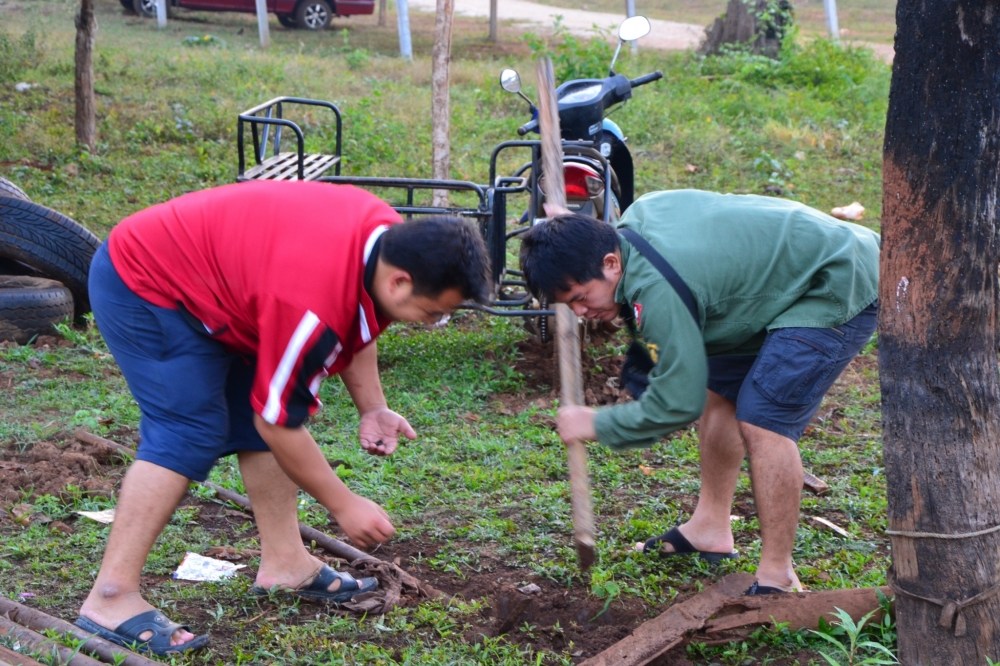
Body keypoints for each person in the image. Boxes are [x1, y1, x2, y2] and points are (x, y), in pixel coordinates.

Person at [76, 180, 491, 655]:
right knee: (188, 430)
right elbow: (278, 423)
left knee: (265, 401)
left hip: (229, 282)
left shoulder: (385, 240)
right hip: (148, 281)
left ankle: (286, 564)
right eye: (432, 312)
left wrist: (372, 406)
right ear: (400, 281)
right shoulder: (310, 307)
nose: (431, 323)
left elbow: (363, 313)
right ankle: (110, 596)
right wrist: (343, 503)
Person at [519, 189, 879, 595]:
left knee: (764, 420)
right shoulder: (630, 226)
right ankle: (710, 529)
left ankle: (778, 576)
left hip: (834, 281)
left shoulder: (656, 293)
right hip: (770, 288)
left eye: (581, 298)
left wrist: (598, 423)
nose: (581, 313)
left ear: (610, 263)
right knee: (718, 392)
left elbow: (676, 403)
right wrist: (568, 233)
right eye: (570, 305)